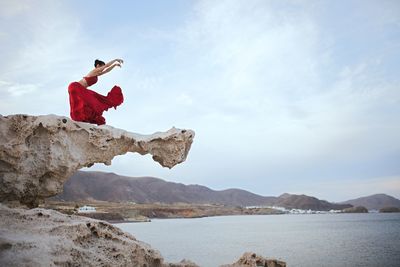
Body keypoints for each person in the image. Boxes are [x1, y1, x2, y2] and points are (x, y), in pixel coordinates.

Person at [68, 58, 124, 125]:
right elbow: (106, 66)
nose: (102, 68)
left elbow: (106, 71)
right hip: (76, 87)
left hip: (79, 88)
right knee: (94, 102)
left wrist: (114, 65)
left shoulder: (97, 73)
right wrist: (115, 60)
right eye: (101, 66)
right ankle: (82, 116)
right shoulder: (94, 71)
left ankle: (85, 118)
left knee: (94, 100)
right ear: (98, 65)